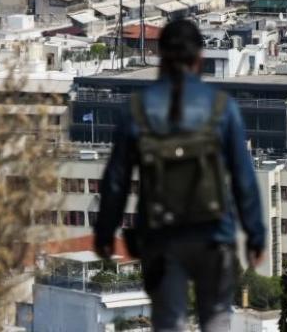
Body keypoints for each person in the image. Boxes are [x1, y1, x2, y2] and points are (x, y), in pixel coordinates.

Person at [94, 19, 266, 331]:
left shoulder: (137, 110)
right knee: (216, 318)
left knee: (169, 322)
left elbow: (117, 181)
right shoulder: (221, 108)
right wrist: (255, 234)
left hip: (161, 237)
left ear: (160, 56)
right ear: (199, 59)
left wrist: (105, 232)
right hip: (214, 235)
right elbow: (244, 179)